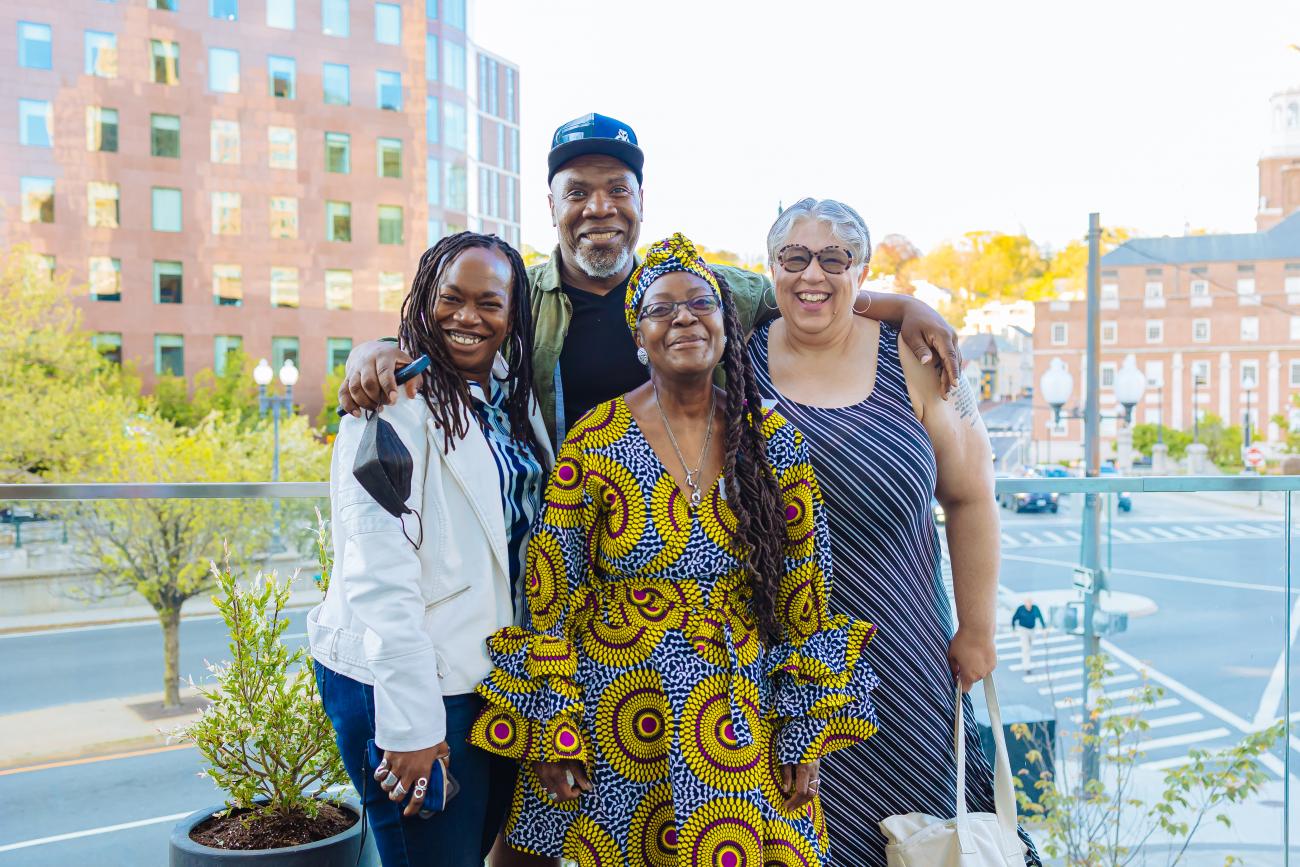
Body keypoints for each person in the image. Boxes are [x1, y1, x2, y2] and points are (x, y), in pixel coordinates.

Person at [467, 234, 880, 865]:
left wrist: (805, 733)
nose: (683, 317)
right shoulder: (595, 440)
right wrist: (554, 729)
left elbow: (805, 595)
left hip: (740, 714)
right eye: (661, 309)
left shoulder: (772, 442)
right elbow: (552, 598)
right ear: (639, 338)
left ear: (725, 324)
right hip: (619, 715)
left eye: (700, 304)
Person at [336, 112, 964, 441]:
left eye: (617, 189)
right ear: (551, 207)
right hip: (567, 539)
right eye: (577, 191)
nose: (599, 207)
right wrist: (377, 349)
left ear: (641, 200)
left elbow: (807, 291)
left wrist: (900, 305)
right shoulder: (518, 295)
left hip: (701, 539)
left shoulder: (702, 291)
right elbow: (447, 337)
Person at [746, 199, 1040, 864]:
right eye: (795, 258)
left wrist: (977, 629)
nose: (811, 275)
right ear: (772, 269)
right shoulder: (739, 360)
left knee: (922, 838)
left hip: (907, 655)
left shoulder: (912, 357)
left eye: (833, 259)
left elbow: (970, 497)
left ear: (863, 270)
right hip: (784, 668)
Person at [308, 233, 552, 867]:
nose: (468, 317)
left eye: (489, 303)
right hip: (410, 681)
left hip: (487, 676)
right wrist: (412, 728)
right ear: (424, 301)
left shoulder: (511, 397)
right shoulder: (390, 403)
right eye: (451, 299)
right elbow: (376, 571)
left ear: (513, 316)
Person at [1011, 597, 1047, 672]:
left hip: (1032, 629)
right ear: (1025, 603)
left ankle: (1026, 657)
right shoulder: (1021, 609)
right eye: (1027, 603)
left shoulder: (1035, 608)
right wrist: (1013, 628)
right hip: (1023, 629)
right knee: (1026, 648)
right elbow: (1014, 618)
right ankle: (1026, 667)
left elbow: (1040, 617)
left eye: (1030, 603)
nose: (1029, 605)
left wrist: (1044, 628)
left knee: (1029, 646)